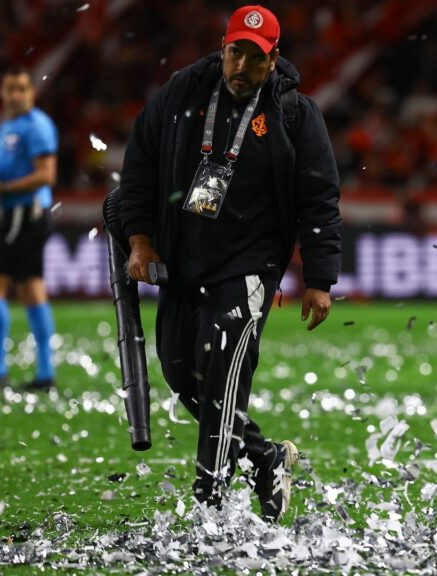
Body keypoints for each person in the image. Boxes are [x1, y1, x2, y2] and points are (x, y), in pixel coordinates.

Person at [117, 5, 341, 522]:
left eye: (254, 57)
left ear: (273, 59)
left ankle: (209, 505)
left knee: (221, 372)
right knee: (180, 371)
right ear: (224, 48)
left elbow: (319, 197)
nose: (241, 65)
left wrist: (320, 278)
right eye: (234, 52)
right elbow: (138, 167)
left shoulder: (294, 114)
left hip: (250, 266)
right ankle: (265, 458)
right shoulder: (181, 94)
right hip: (182, 263)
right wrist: (139, 240)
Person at [0, 66, 58, 393]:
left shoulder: (38, 126)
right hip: (22, 212)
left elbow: (46, 175)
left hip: (25, 212)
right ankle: (45, 375)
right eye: (10, 89)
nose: (16, 94)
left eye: (21, 88)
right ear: (2, 94)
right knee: (31, 289)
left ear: (32, 92)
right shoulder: (6, 127)